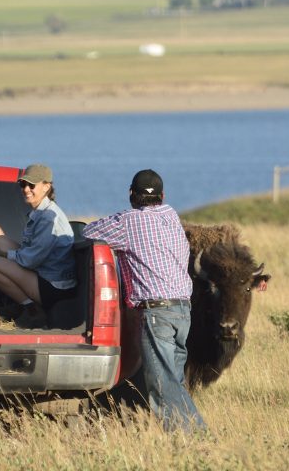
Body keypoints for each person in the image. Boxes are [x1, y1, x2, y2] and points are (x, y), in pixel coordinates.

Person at [81, 169, 206, 432]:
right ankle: (182, 444)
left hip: (157, 312)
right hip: (183, 310)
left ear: (131, 195)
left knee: (162, 385)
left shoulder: (127, 222)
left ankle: (198, 438)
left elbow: (88, 232)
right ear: (162, 196)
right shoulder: (171, 216)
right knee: (174, 380)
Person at [0, 164, 76, 328]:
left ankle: (31, 309)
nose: (26, 189)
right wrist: (0, 248)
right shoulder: (41, 212)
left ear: (47, 187)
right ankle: (21, 304)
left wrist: (2, 254)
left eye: (31, 185)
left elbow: (30, 260)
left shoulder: (48, 218)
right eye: (23, 184)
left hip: (54, 286)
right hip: (44, 276)